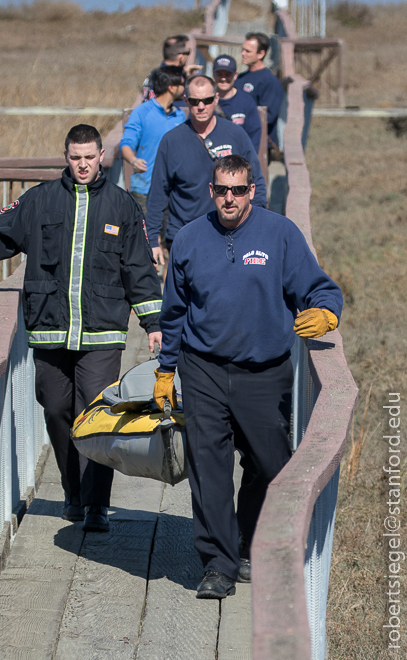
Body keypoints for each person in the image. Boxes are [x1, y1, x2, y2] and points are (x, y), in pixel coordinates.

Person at [0, 124, 163, 533]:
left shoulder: (123, 206)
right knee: (56, 409)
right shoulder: (40, 201)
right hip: (50, 329)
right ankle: (73, 493)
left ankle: (96, 505)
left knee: (98, 417)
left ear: (100, 158)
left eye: (90, 157)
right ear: (66, 157)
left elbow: (139, 270)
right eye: (75, 158)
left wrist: (154, 322)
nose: (83, 165)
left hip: (102, 333)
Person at [153, 154, 343, 599]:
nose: (229, 199)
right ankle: (217, 565)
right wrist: (166, 371)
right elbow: (174, 312)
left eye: (238, 190)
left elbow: (319, 287)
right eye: (221, 190)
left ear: (252, 191)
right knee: (209, 469)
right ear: (211, 191)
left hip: (265, 372)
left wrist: (326, 313)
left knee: (269, 465)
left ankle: (248, 542)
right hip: (203, 371)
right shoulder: (189, 239)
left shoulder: (279, 234)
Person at [146, 74, 267, 267]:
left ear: (216, 98)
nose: (201, 106)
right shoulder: (171, 141)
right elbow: (157, 194)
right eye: (194, 101)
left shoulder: (236, 135)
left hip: (230, 234)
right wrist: (152, 240)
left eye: (207, 100)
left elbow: (256, 183)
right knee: (178, 294)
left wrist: (257, 224)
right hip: (184, 235)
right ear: (185, 100)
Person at [120, 67, 185, 215]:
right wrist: (134, 161)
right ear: (171, 87)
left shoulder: (180, 115)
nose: (184, 88)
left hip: (173, 190)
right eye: (181, 85)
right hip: (144, 190)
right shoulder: (142, 112)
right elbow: (126, 144)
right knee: (146, 237)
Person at [234, 32, 285, 150]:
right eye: (243, 50)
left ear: (261, 54)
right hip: (237, 141)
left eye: (248, 51)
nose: (243, 54)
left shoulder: (270, 82)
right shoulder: (239, 79)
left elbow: (268, 117)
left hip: (258, 145)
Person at [213, 53, 262, 153]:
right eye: (219, 74)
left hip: (239, 160)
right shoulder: (206, 101)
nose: (223, 78)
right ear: (213, 74)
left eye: (227, 74)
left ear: (235, 75)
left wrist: (247, 162)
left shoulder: (246, 102)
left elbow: (254, 135)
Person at [142, 34, 201, 102]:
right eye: (188, 52)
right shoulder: (170, 79)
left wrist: (185, 75)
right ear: (181, 57)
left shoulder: (154, 75)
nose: (188, 56)